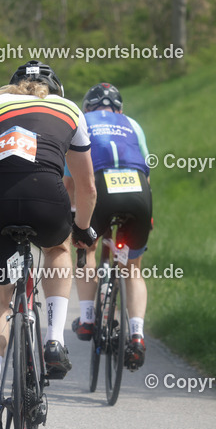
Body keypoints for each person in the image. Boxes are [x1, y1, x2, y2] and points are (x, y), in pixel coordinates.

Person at [0, 60, 97, 429]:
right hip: (46, 199)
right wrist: (83, 230)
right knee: (57, 246)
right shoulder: (70, 110)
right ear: (54, 91)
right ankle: (53, 339)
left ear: (12, 86)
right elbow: (86, 186)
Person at [68, 82, 153, 370]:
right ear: (119, 109)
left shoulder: (80, 122)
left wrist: (73, 215)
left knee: (86, 247)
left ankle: (89, 318)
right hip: (138, 193)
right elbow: (146, 172)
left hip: (100, 189)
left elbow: (71, 181)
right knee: (132, 268)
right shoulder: (132, 124)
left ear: (87, 107)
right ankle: (138, 335)